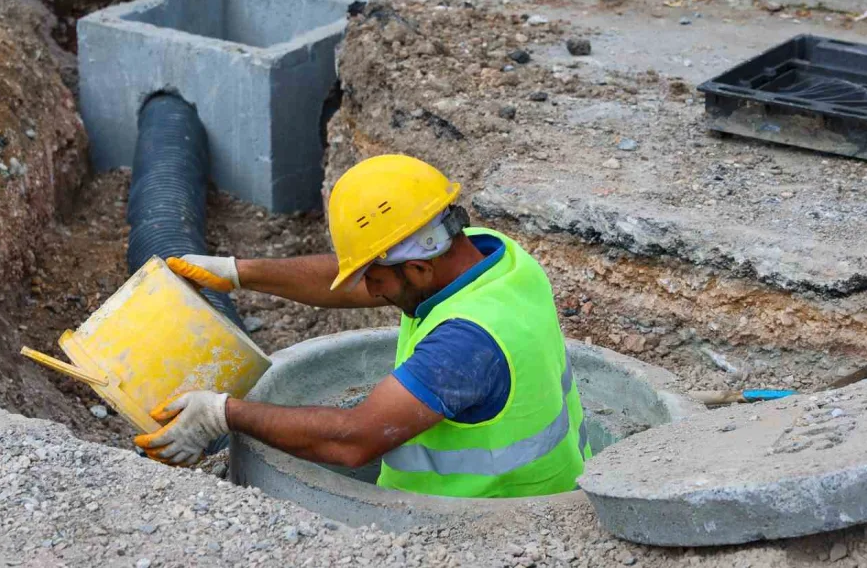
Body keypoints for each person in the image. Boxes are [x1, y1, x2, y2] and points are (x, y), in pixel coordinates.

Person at [133, 154, 590, 497]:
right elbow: (362, 279)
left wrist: (222, 414)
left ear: (417, 270)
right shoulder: (494, 258)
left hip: (487, 529)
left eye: (375, 279)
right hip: (545, 486)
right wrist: (239, 272)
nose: (370, 293)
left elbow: (355, 441)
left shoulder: (465, 345)